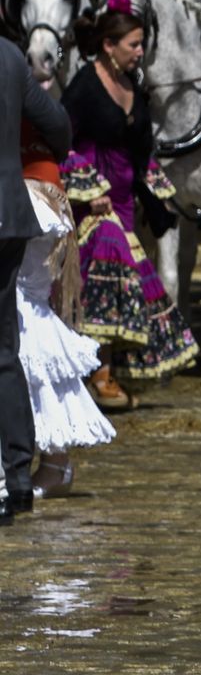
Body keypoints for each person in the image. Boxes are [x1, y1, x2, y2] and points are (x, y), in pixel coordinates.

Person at [62, 0, 199, 403]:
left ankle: (105, 370)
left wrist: (158, 196)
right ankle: (99, 374)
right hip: (90, 201)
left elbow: (140, 151)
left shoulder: (133, 86)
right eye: (134, 44)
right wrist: (90, 189)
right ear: (109, 44)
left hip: (123, 197)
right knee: (108, 256)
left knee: (131, 282)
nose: (141, 52)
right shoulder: (85, 85)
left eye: (142, 44)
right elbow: (58, 140)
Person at [17, 119, 116, 499]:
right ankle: (45, 462)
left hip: (32, 190)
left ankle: (55, 464)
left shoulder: (27, 93)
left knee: (26, 317)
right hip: (28, 188)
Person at [1, 37, 70, 526]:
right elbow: (59, 129)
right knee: (3, 347)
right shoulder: (7, 54)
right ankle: (18, 473)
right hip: (7, 216)